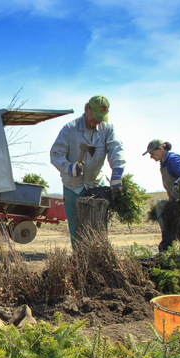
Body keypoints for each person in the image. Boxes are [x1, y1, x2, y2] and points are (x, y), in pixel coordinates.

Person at [50, 95, 126, 248]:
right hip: (74, 186)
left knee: (98, 228)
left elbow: (115, 148)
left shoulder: (108, 129)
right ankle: (81, 260)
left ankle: (98, 259)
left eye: (101, 118)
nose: (97, 121)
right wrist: (70, 168)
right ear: (86, 109)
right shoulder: (70, 129)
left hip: (96, 185)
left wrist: (117, 171)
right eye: (95, 117)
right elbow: (55, 154)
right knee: (78, 231)